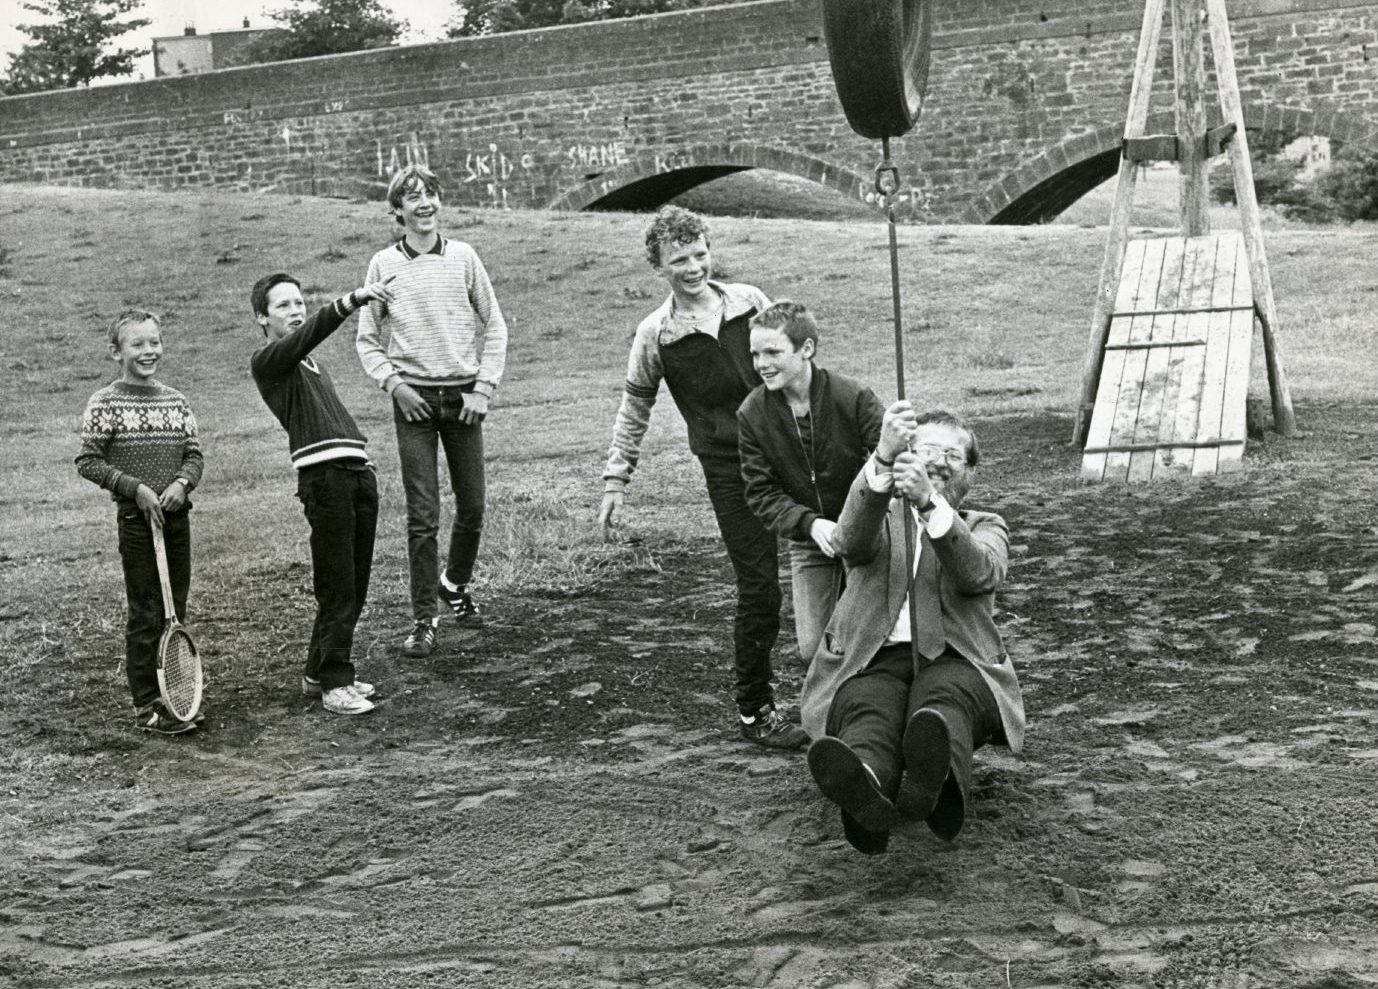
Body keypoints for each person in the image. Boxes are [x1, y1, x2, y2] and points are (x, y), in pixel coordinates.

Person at [598, 205, 807, 750]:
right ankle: (756, 709)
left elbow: (794, 368)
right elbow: (634, 406)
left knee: (838, 553)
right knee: (760, 587)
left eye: (699, 254)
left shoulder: (750, 302)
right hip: (728, 468)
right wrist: (616, 479)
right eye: (678, 260)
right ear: (658, 267)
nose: (693, 267)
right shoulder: (656, 335)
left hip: (787, 448)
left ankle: (854, 688)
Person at [801, 406, 1026, 854]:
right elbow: (849, 541)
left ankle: (936, 783)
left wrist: (930, 505)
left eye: (953, 455)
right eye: (927, 450)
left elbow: (978, 574)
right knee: (870, 707)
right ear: (907, 456)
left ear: (971, 473)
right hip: (872, 659)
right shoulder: (877, 516)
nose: (940, 462)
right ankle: (865, 786)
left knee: (942, 706)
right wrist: (882, 458)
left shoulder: (986, 525)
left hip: (956, 660)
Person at [356, 164, 509, 659]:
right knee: (423, 517)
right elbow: (367, 340)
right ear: (396, 210)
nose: (424, 205)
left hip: (463, 399)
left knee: (474, 508)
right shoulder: (383, 264)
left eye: (430, 195)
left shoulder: (463, 256)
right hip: (414, 403)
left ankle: (455, 583)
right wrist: (396, 386)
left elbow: (497, 326)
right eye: (412, 197)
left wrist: (482, 389)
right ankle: (425, 619)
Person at [250, 272, 396, 716]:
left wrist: (362, 459)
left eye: (299, 303)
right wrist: (351, 301)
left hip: (354, 472)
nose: (295, 312)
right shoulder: (268, 360)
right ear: (262, 319)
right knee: (337, 585)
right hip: (323, 480)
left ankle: (317, 674)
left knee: (355, 583)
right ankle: (336, 684)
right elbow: (313, 331)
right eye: (283, 306)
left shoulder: (313, 366)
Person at [76, 309, 205, 735]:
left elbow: (194, 454)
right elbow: (88, 460)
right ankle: (148, 704)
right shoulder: (105, 402)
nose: (148, 351)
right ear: (116, 352)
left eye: (154, 342)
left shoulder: (177, 400)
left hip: (176, 517)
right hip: (136, 520)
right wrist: (135, 488)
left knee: (175, 608)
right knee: (147, 611)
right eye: (137, 344)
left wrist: (182, 484)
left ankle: (177, 692)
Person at [737, 300, 884, 664]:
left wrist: (868, 512)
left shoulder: (852, 396)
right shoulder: (752, 414)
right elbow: (761, 491)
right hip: (809, 541)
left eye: (773, 352)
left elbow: (891, 454)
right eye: (755, 354)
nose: (762, 364)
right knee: (815, 651)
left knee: (878, 639)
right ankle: (833, 715)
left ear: (806, 349)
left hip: (868, 533)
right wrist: (809, 523)